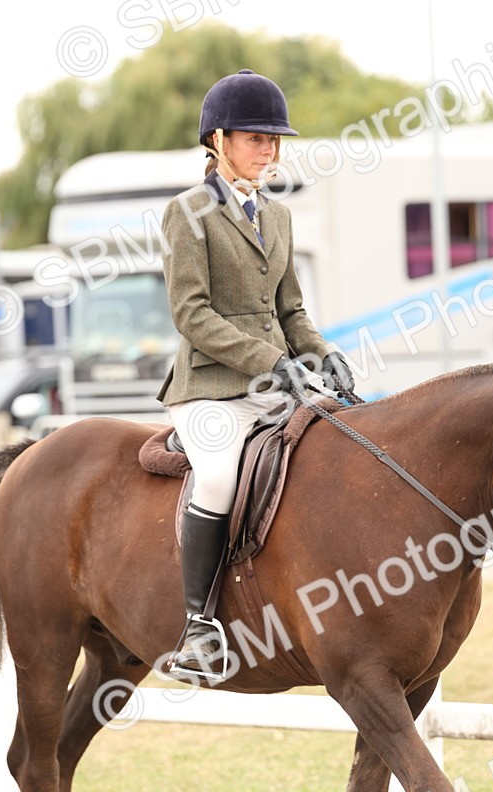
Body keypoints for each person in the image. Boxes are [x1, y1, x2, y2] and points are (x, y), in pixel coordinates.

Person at [157, 69, 354, 674]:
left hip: (275, 385)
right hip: (211, 389)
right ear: (217, 141)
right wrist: (271, 362)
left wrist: (322, 354)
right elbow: (192, 314)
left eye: (274, 140)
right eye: (254, 139)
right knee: (217, 478)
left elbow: (290, 308)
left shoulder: (279, 217)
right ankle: (198, 626)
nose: (268, 151)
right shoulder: (187, 213)